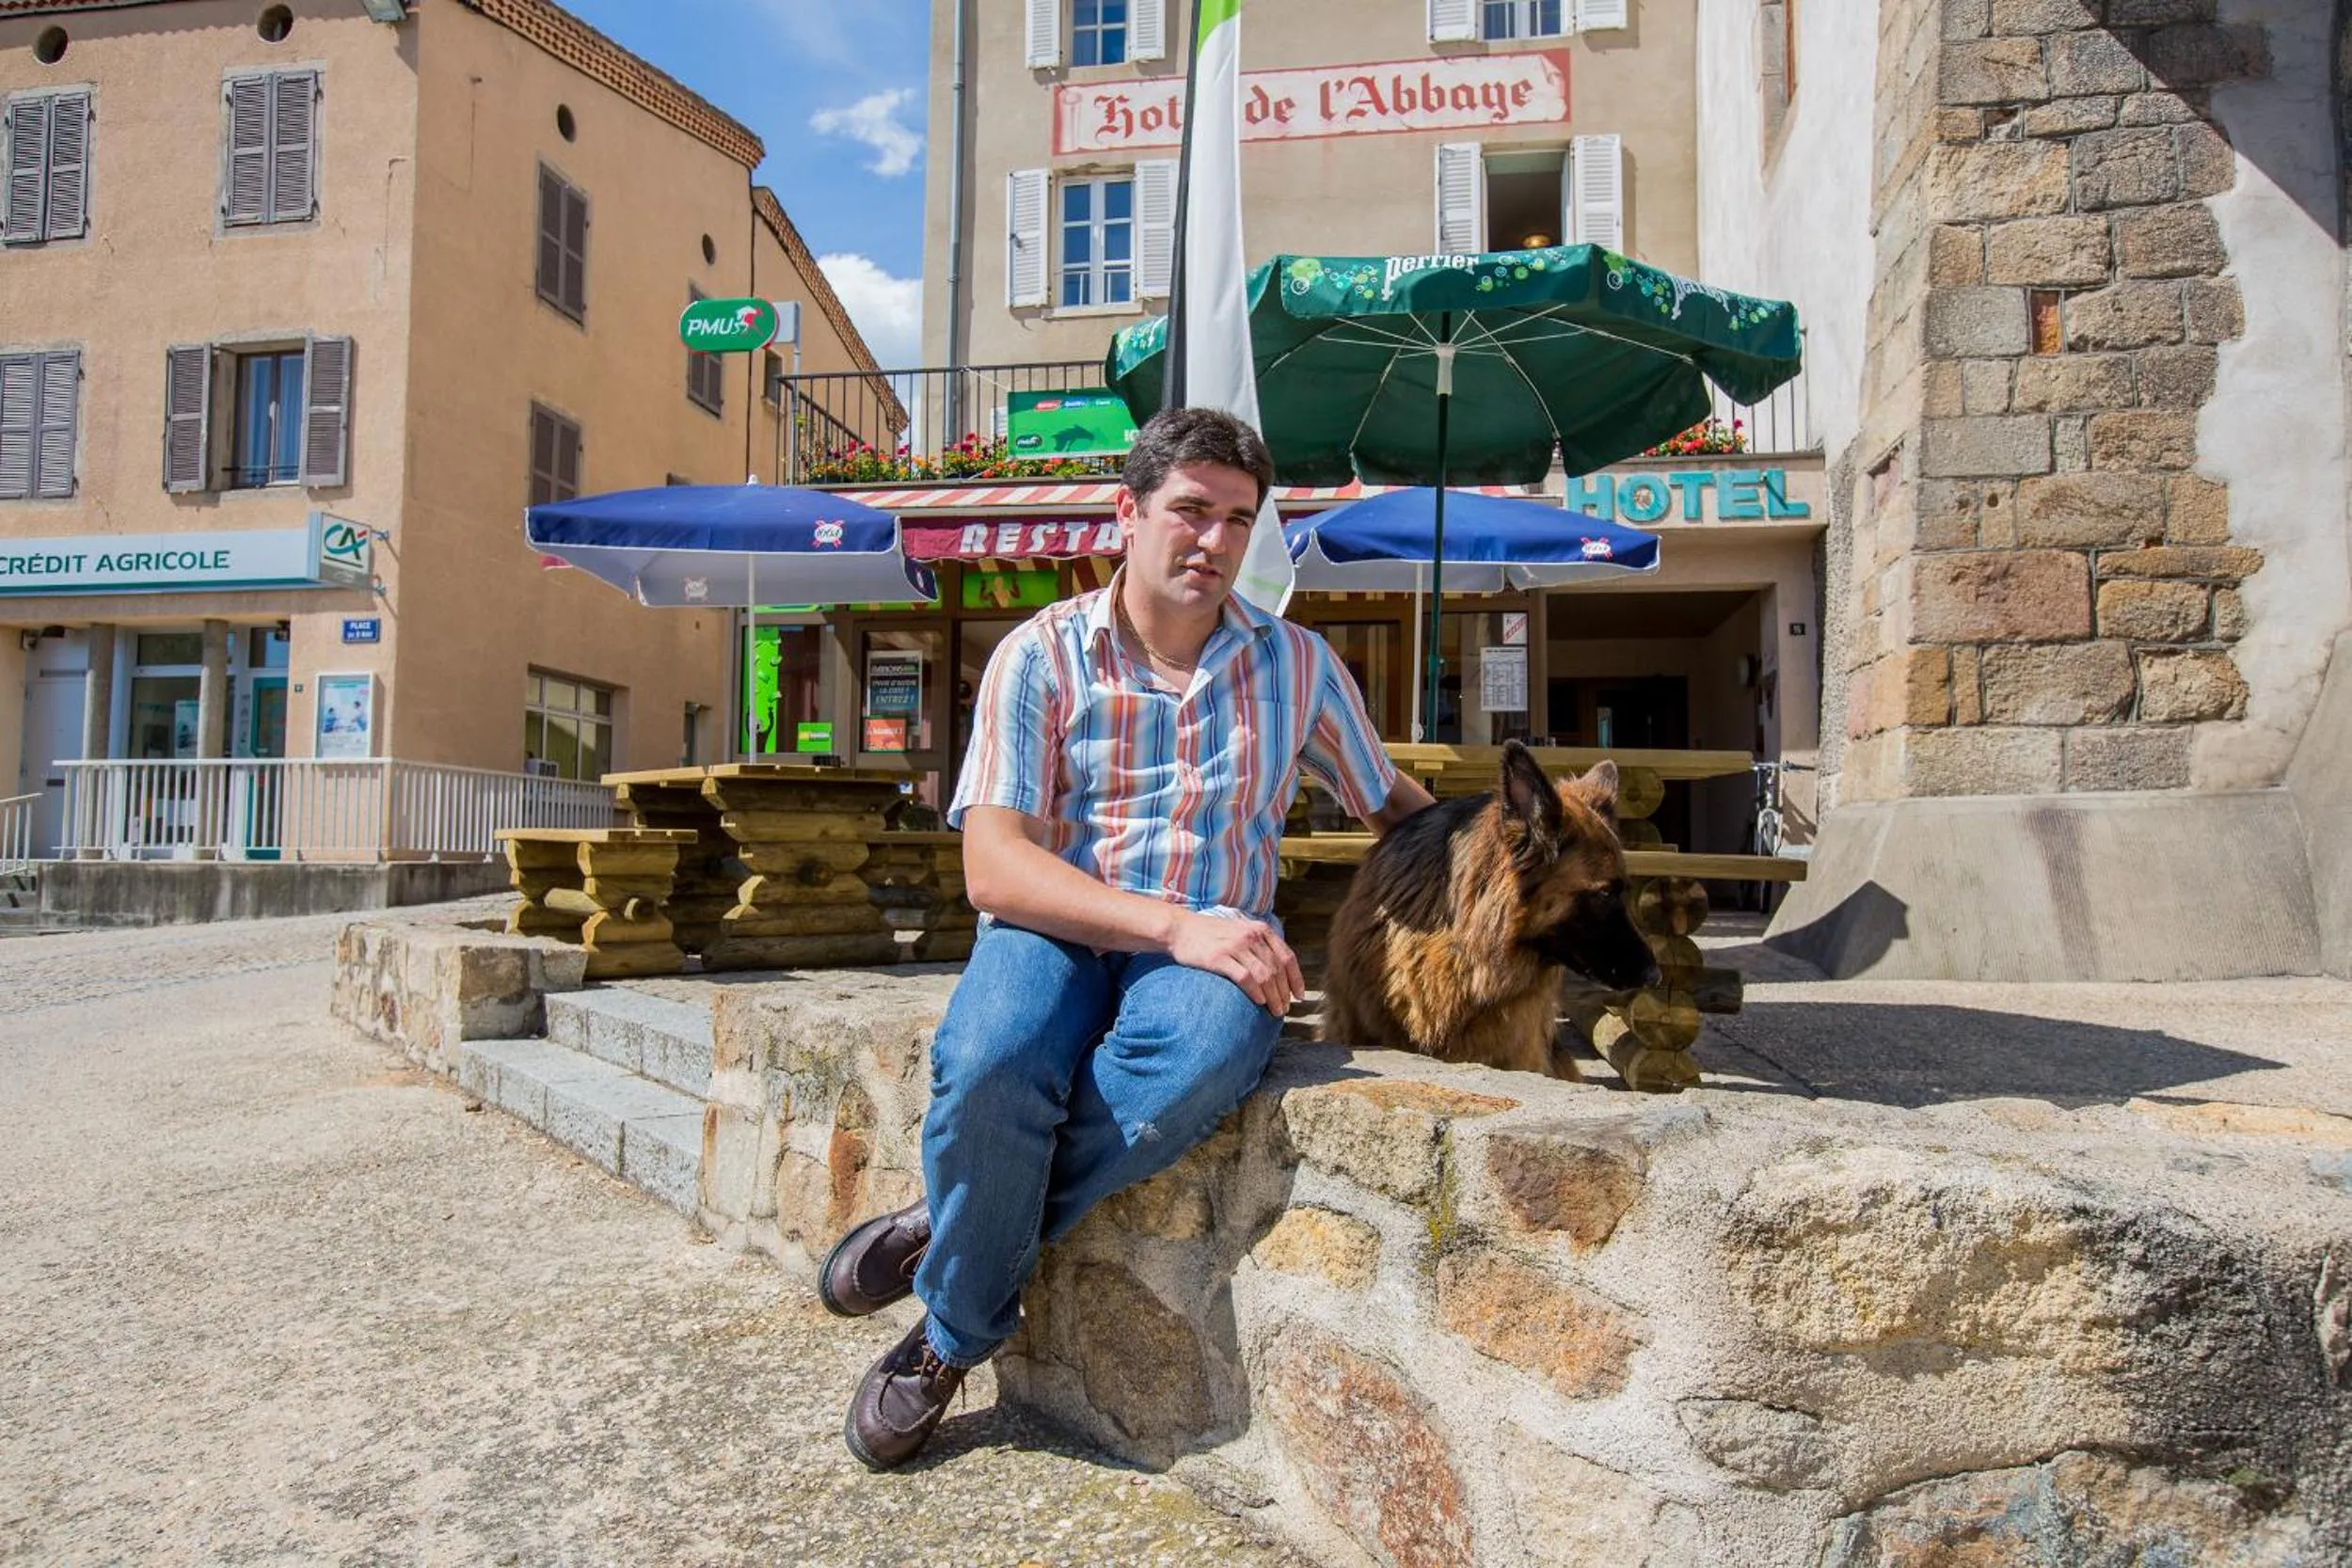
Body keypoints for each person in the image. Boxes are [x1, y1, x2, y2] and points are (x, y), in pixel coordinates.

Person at [819, 406, 1438, 1470]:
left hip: (1206, 956)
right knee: (993, 1058)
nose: (1213, 540)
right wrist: (1171, 923)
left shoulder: (1297, 664)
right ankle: (968, 1242)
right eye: (1190, 510)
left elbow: (1399, 810)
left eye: (1238, 520)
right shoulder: (1040, 652)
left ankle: (952, 1284)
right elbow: (994, 864)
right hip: (1055, 925)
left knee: (1193, 1061)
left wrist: (1518, 856)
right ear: (1128, 511)